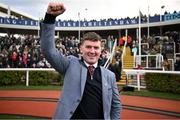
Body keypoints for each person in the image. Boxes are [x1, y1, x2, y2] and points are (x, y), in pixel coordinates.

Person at [40, 2, 121, 119]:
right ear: (81, 48)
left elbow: (116, 106)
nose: (92, 51)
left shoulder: (110, 76)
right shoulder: (69, 64)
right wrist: (50, 18)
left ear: (101, 50)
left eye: (96, 48)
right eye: (88, 47)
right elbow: (48, 51)